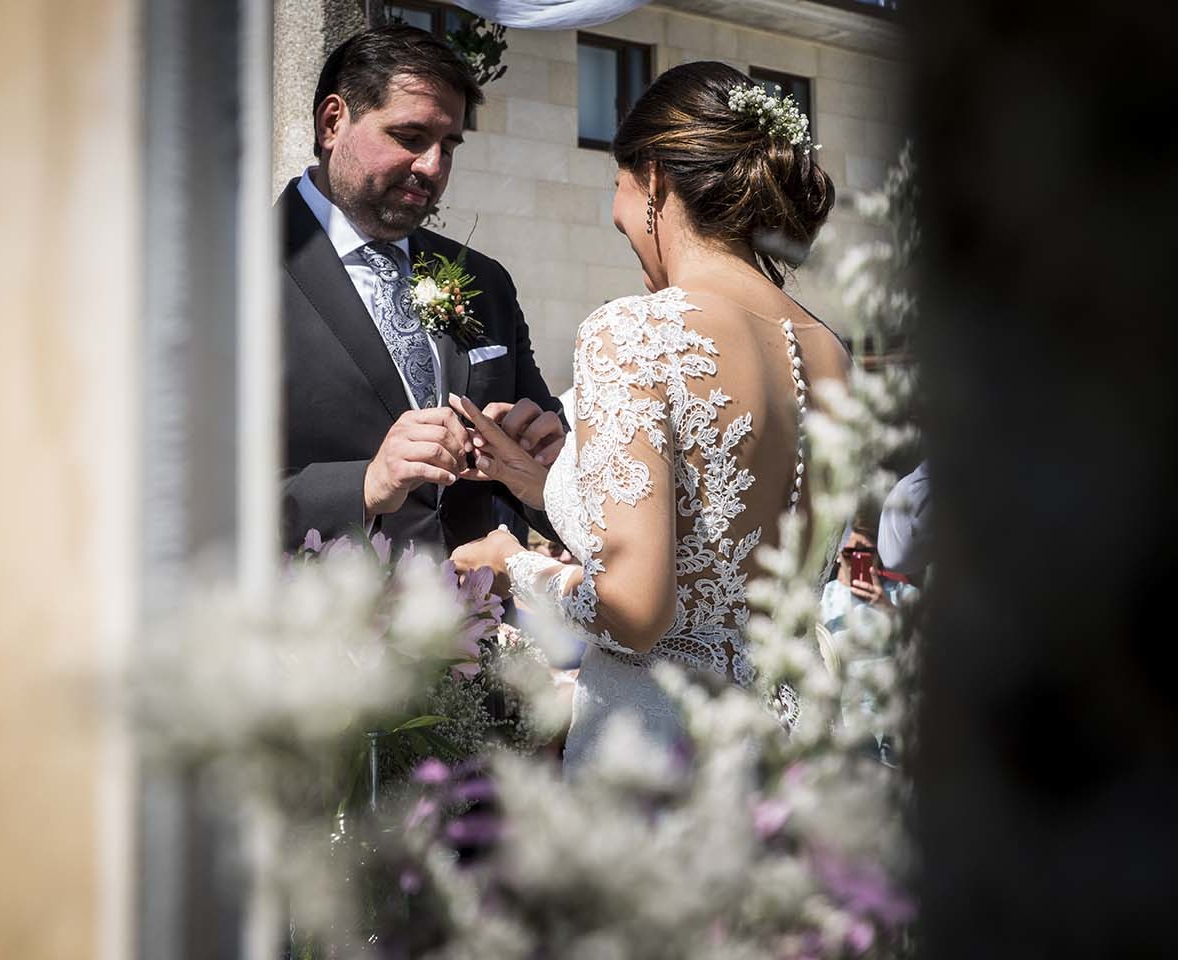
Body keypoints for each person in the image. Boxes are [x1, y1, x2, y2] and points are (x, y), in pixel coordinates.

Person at [447, 61, 850, 767]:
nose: (617, 217)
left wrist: (513, 565)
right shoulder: (830, 352)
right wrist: (548, 488)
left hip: (666, 749)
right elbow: (720, 539)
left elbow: (634, 612)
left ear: (655, 179)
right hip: (796, 743)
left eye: (618, 185)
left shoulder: (632, 333)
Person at [279, 25, 566, 552]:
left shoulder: (483, 280)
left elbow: (547, 482)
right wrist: (362, 487)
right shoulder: (236, 275)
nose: (432, 167)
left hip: (483, 619)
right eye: (410, 138)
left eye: (448, 147)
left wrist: (547, 464)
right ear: (332, 122)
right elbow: (183, 489)